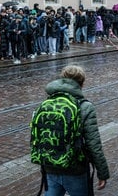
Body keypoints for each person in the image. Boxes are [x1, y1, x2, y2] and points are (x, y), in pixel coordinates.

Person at [39, 65, 110, 196]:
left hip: (50, 165)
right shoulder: (85, 106)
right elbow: (94, 144)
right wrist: (102, 173)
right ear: (81, 83)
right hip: (75, 168)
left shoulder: (48, 102)